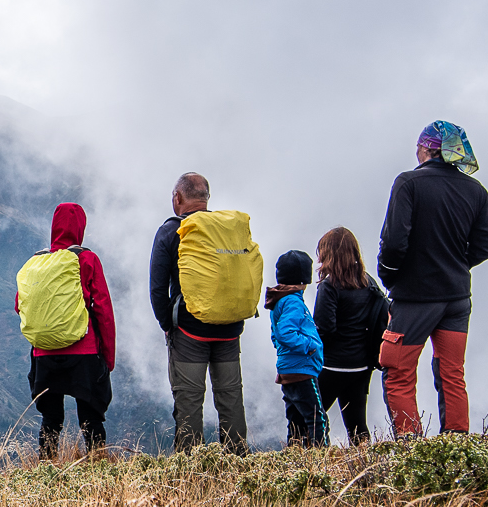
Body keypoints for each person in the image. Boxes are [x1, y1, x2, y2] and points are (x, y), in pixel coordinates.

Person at [377, 120, 488, 436]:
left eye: (418, 146)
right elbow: (486, 245)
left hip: (414, 298)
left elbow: (393, 243)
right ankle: (456, 444)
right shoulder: (476, 191)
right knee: (451, 373)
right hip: (457, 299)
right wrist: (457, 264)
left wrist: (390, 278)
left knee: (398, 371)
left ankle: (410, 447)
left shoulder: (408, 183)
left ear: (428, 148)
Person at [148, 172, 261, 453]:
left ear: (178, 198)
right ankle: (238, 463)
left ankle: (191, 469)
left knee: (189, 401)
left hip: (189, 331)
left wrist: (167, 323)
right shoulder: (224, 228)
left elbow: (157, 288)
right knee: (231, 398)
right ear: (206, 199)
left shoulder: (172, 231)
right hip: (229, 328)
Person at [17, 202, 116, 458]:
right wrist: (108, 357)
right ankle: (99, 471)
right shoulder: (86, 259)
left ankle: (46, 473)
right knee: (91, 418)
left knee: (50, 420)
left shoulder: (36, 263)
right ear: (80, 228)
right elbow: (103, 310)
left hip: (44, 355)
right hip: (84, 353)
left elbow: (20, 305)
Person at [312, 226, 390, 443]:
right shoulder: (368, 283)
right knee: (356, 424)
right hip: (361, 366)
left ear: (329, 254)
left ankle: (312, 464)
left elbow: (324, 328)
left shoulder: (329, 287)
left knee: (311, 419)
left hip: (332, 366)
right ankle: (365, 466)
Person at [267, 250, 326, 447]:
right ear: (304, 279)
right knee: (318, 420)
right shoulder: (293, 301)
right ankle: (322, 460)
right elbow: (285, 332)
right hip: (302, 368)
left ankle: (294, 460)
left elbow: (276, 334)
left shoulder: (280, 301)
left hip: (287, 368)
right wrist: (310, 347)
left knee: (296, 422)